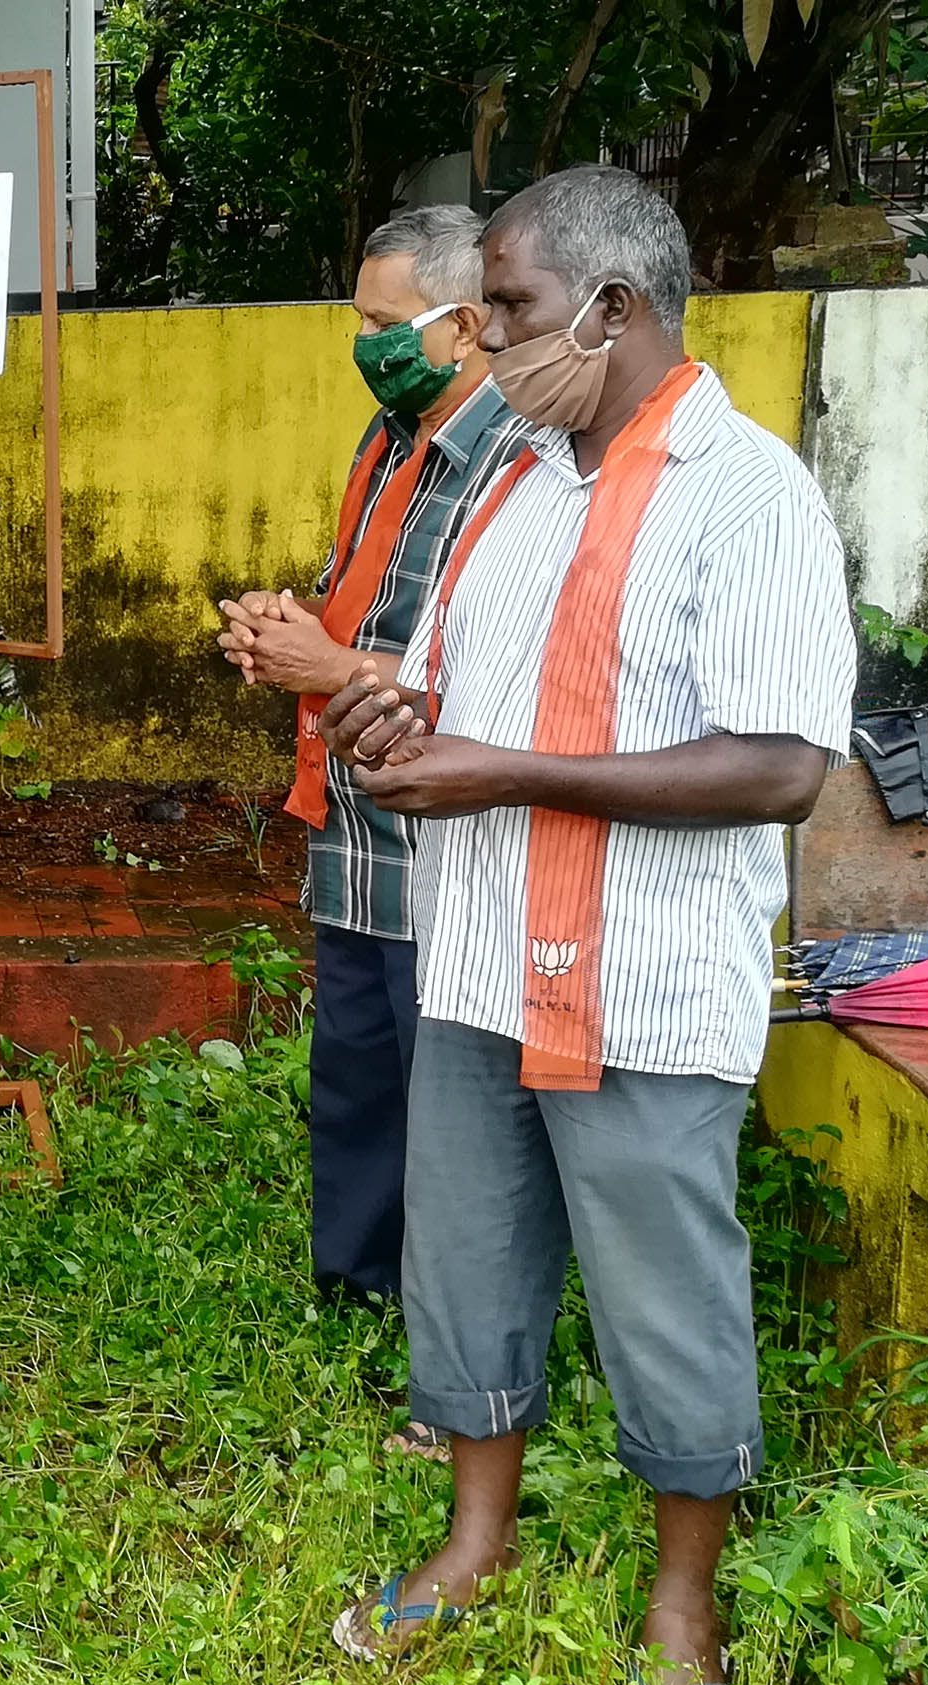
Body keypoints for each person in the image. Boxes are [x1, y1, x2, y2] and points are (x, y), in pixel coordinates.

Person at [315, 166, 856, 1685]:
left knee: (664, 1290)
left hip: (649, 989)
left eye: (513, 309)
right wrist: (386, 717)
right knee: (469, 1265)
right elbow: (442, 686)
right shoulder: (516, 485)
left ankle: (683, 1601)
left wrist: (509, 772)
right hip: (482, 962)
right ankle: (472, 1539)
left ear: (613, 313)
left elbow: (781, 769)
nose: (484, 338)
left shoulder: (751, 496)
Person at [215, 205, 529, 1316]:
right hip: (354, 818)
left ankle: (452, 1313)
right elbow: (372, 606)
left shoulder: (515, 460)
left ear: (467, 326)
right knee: (354, 1074)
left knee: (441, 1091)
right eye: (360, 317)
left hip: (438, 827)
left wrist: (328, 660)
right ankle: (356, 1287)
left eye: (385, 321)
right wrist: (286, 634)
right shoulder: (389, 441)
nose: (367, 342)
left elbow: (496, 667)